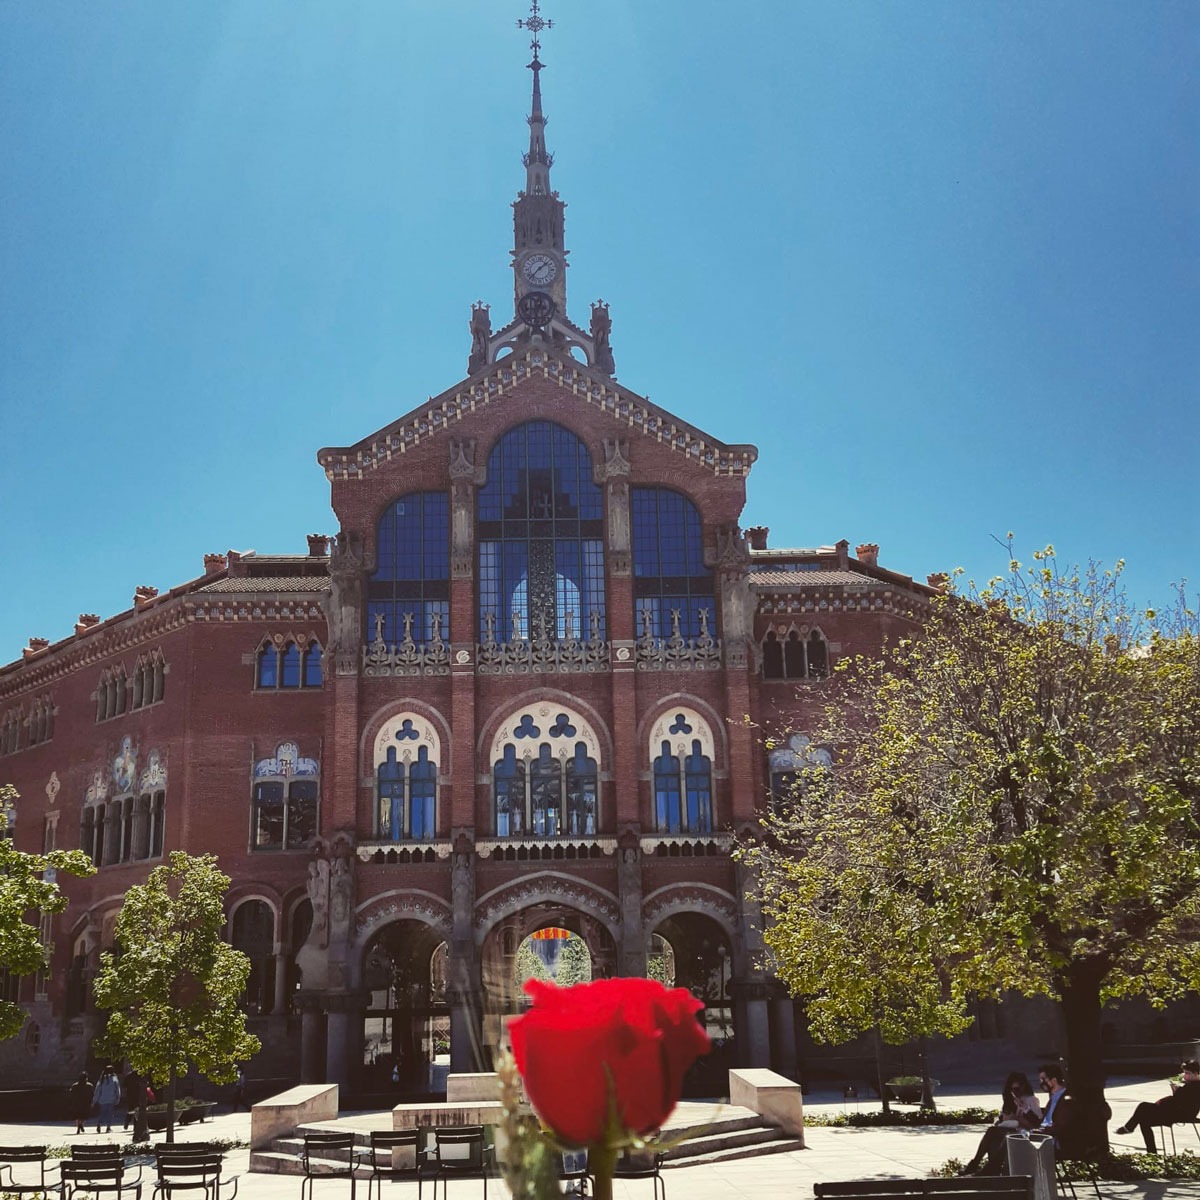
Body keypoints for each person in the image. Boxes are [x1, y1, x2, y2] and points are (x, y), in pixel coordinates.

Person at [961, 1070, 1043, 1174]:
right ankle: (985, 1167)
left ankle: (979, 1165)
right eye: (1012, 1090)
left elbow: (1035, 1124)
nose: (1015, 1092)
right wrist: (1001, 1120)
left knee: (992, 1133)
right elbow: (1002, 1119)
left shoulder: (1031, 1100)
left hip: (1023, 1131)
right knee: (993, 1137)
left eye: (1017, 1089)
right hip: (1009, 1130)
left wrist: (1018, 1117)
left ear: (1024, 1087)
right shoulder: (1011, 1100)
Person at [1115, 1059, 1200, 1152]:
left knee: (1143, 1106)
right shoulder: (1191, 1084)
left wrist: (1177, 1090)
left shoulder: (1196, 1086)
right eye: (1184, 1073)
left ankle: (1129, 1128)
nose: (1185, 1076)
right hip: (1174, 1111)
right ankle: (1151, 1151)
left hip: (1181, 1114)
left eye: (1187, 1073)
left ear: (1196, 1073)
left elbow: (1184, 1101)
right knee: (1144, 1121)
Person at [93, 1063, 122, 1133]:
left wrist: (94, 1100)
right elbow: (117, 1089)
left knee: (102, 1113)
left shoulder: (101, 1079)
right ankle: (108, 1127)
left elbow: (97, 1090)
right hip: (111, 1099)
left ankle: (99, 1123)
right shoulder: (114, 1079)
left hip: (102, 1099)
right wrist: (118, 1098)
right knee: (110, 1114)